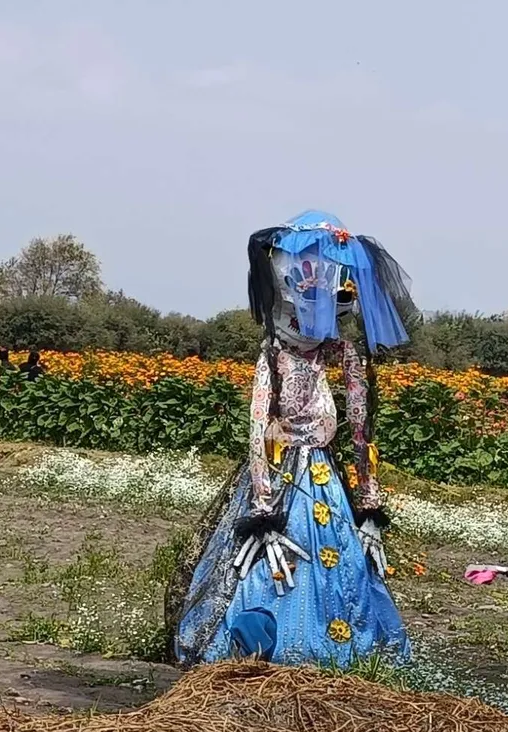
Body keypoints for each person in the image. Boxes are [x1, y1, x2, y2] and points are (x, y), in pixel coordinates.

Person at [169, 210, 419, 668]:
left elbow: (361, 429)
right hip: (283, 475)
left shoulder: (342, 354)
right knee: (261, 571)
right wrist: (264, 509)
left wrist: (369, 501)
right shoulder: (274, 354)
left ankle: (349, 648)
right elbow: (256, 429)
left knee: (345, 570)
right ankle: (259, 643)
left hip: (324, 472)